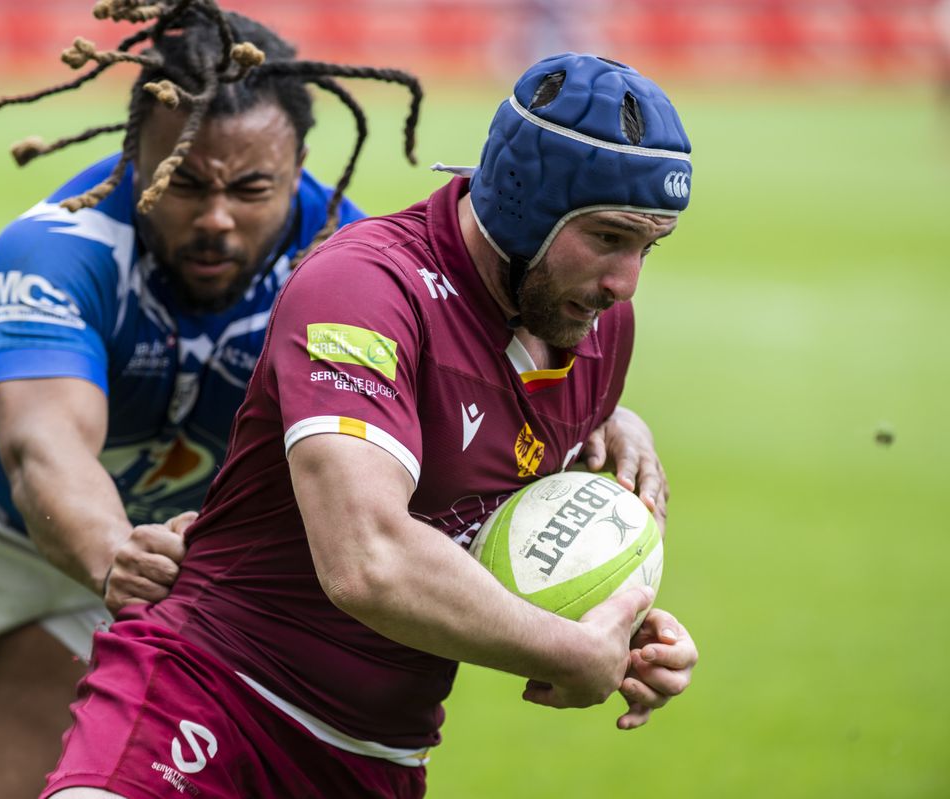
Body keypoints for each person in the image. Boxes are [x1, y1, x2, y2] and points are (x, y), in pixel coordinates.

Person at [0, 4, 426, 798]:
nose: (216, 218)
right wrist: (114, 555)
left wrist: (592, 423)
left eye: (251, 189)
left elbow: (441, 405)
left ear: (301, 162)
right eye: (183, 182)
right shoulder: (57, 247)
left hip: (134, 559)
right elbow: (44, 448)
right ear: (134, 152)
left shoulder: (348, 271)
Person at [42, 52, 699, 799]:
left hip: (375, 758)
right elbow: (368, 558)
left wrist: (618, 631)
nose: (625, 283)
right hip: (207, 698)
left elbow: (487, 532)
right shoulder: (364, 287)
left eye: (649, 246)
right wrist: (571, 651)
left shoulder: (596, 328)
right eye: (609, 238)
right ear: (525, 204)